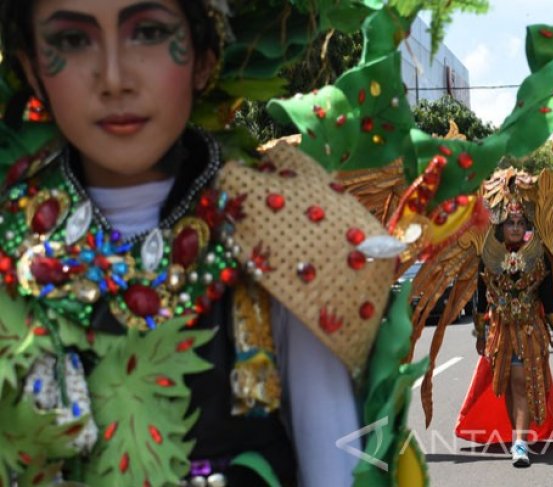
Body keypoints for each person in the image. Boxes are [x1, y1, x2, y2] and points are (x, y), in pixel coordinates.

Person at [0, 1, 424, 485]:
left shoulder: (282, 232)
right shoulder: (9, 246)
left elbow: (335, 467)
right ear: (32, 67)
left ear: (204, 57)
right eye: (73, 40)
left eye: (149, 32)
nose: (114, 78)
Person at [455, 188, 553, 468]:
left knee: (521, 384)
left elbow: (549, 298)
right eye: (510, 223)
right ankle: (517, 437)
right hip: (500, 334)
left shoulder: (538, 257)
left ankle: (520, 444)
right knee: (505, 386)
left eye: (519, 223)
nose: (515, 228)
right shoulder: (488, 256)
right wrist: (480, 332)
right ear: (501, 226)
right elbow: (481, 299)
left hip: (530, 332)